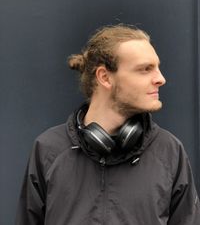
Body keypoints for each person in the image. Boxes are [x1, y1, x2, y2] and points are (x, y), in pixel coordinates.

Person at [15, 24, 200, 225]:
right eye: (145, 69)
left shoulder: (169, 152)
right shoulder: (48, 149)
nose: (160, 79)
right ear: (104, 77)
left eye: (157, 67)